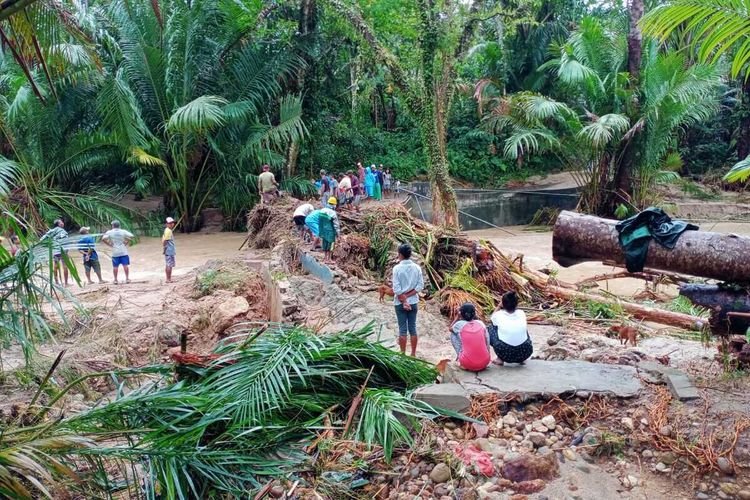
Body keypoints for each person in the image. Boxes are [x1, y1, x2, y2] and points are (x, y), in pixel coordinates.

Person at [392, 243, 424, 356]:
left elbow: (396, 289)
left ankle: (402, 354)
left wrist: (404, 299)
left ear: (400, 254)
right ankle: (413, 354)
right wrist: (408, 296)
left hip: (399, 303)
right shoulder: (417, 268)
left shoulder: (397, 268)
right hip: (414, 302)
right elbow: (420, 286)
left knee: (402, 329)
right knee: (413, 328)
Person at [489, 291, 533, 365]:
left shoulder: (498, 315)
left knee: (491, 328)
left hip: (505, 353)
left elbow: (492, 319)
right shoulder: (521, 313)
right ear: (516, 304)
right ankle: (521, 360)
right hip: (525, 351)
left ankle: (499, 359)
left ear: (503, 304)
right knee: (523, 329)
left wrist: (499, 306)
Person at [450, 303, 491, 372]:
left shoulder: (459, 325)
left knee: (453, 334)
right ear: (474, 314)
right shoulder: (481, 323)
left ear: (461, 314)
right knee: (484, 332)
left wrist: (457, 317)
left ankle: (461, 359)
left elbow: (450, 328)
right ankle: (485, 355)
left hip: (468, 364)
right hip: (485, 362)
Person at [102, 220, 134, 284]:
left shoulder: (109, 232)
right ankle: (127, 279)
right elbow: (131, 236)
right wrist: (126, 241)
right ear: (119, 225)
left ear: (113, 225)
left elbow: (103, 239)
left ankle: (115, 280)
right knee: (125, 265)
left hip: (115, 251)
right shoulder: (123, 231)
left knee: (115, 266)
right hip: (123, 251)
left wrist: (110, 244)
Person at [41, 219, 69, 286]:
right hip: (63, 251)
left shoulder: (52, 231)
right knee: (65, 265)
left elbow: (42, 239)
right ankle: (66, 283)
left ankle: (56, 283)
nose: (62, 223)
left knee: (55, 266)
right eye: (61, 222)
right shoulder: (63, 231)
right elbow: (66, 241)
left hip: (55, 250)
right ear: (59, 224)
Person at [318, 197, 341, 262]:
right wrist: (338, 235)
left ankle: (325, 258)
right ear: (334, 205)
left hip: (323, 231)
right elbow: (336, 225)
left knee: (324, 243)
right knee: (331, 244)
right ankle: (329, 259)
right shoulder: (333, 213)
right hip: (330, 231)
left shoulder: (322, 210)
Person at [163, 217, 176, 283]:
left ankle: (168, 278)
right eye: (170, 223)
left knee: (168, 264)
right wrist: (165, 250)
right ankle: (168, 279)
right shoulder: (168, 231)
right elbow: (165, 241)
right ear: (167, 224)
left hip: (169, 250)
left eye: (172, 223)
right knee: (169, 265)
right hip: (169, 251)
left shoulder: (167, 230)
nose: (172, 224)